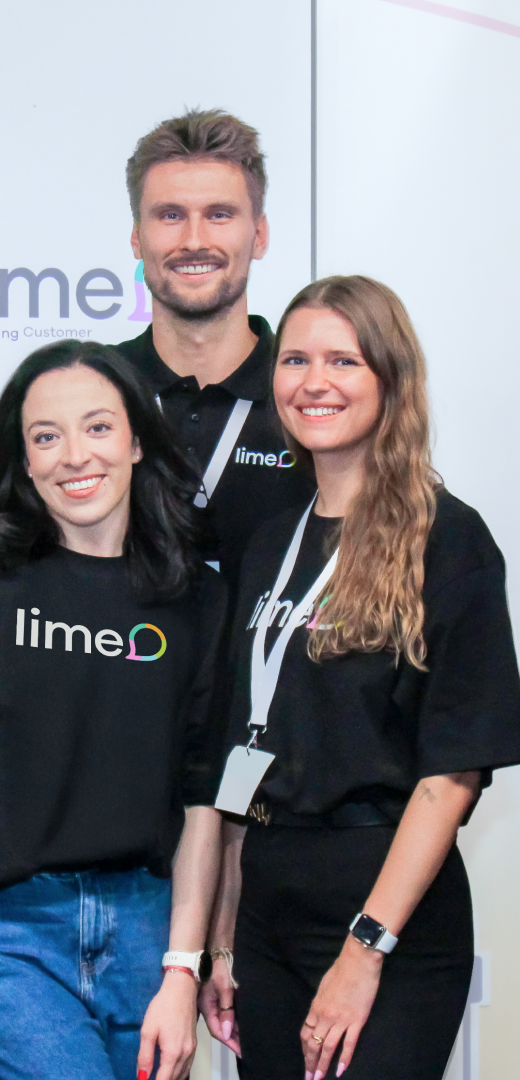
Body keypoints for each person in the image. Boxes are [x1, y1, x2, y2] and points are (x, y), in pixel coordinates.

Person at [0, 340, 230, 1080]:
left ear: (137, 440)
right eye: (47, 436)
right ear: (24, 459)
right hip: (1, 934)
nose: (75, 456)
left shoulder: (195, 599)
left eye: (98, 428)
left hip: (145, 927)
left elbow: (202, 799)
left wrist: (181, 971)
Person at [197, 277, 520, 1080]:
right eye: (296, 358)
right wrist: (226, 936)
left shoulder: (448, 539)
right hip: (268, 906)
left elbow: (452, 775)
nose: (315, 382)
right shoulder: (271, 542)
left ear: (390, 378)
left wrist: (365, 950)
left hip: (385, 908)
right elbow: (248, 746)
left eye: (343, 360)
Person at [117, 109, 317, 574]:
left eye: (219, 215)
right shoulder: (90, 390)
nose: (193, 240)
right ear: (136, 237)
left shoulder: (314, 398)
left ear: (260, 235)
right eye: (170, 215)